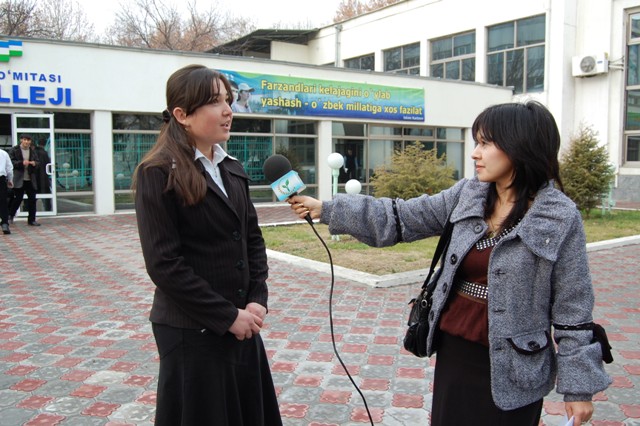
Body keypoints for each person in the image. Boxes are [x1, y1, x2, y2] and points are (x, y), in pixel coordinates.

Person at [288, 101, 611, 426]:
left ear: (519, 147)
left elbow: (573, 309)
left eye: (485, 143)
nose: (475, 153)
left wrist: (579, 388)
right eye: (476, 142)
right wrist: (327, 209)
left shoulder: (559, 217)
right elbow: (401, 217)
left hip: (517, 367)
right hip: (456, 352)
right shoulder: (468, 194)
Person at [132, 64, 282, 426]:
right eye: (215, 102)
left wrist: (256, 299)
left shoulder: (232, 168)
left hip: (242, 323)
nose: (228, 110)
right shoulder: (157, 172)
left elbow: (252, 240)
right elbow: (164, 264)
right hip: (192, 330)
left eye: (228, 100)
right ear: (182, 114)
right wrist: (227, 316)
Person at [8, 134, 41, 226]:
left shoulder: (32, 151)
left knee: (32, 199)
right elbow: (11, 162)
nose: (27, 142)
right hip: (19, 179)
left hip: (30, 178)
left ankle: (32, 219)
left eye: (28, 140)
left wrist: (34, 163)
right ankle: (10, 215)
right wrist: (21, 163)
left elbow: (38, 162)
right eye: (25, 140)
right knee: (18, 198)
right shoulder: (14, 150)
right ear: (21, 140)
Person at [1, 148, 13, 235]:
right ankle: (4, 223)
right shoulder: (3, 153)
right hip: (1, 179)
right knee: (2, 202)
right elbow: (9, 168)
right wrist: (10, 179)